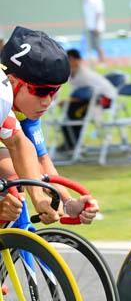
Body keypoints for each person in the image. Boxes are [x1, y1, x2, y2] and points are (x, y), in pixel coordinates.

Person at [0, 26, 99, 224]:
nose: (47, 101)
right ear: (12, 82)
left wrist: (66, 202)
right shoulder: (3, 98)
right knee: (11, 175)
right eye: (41, 91)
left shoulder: (24, 109)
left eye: (54, 92)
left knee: (16, 175)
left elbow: (34, 155)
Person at [58, 49, 117, 151]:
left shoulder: (85, 75)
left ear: (78, 60)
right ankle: (70, 143)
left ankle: (74, 144)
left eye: (72, 60)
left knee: (74, 112)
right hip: (90, 100)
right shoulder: (72, 74)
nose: (70, 62)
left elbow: (87, 95)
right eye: (68, 60)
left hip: (104, 100)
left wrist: (68, 101)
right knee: (68, 112)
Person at [82, 0, 105, 67]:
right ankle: (92, 63)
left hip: (96, 27)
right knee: (91, 47)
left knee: (98, 46)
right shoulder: (86, 0)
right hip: (89, 27)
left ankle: (102, 63)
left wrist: (97, 26)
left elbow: (98, 13)